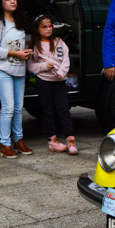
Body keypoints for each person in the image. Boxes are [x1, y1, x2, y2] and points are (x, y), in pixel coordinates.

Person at [0, 0, 34, 159]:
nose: (12, 1)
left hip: (19, 70)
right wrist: (16, 54)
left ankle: (19, 141)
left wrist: (26, 52)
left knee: (18, 108)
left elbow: (19, 45)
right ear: (0, 2)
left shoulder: (20, 22)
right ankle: (5, 144)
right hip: (2, 70)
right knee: (8, 108)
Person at [27, 14, 78, 155]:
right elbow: (30, 65)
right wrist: (43, 66)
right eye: (44, 26)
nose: (48, 29)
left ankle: (71, 140)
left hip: (59, 82)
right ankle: (52, 140)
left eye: (50, 26)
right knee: (48, 111)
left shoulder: (59, 41)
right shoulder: (36, 46)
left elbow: (66, 60)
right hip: (44, 81)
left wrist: (62, 73)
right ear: (37, 29)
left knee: (63, 110)